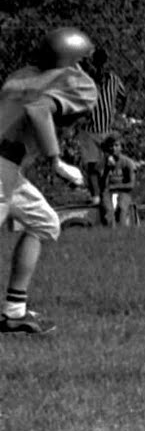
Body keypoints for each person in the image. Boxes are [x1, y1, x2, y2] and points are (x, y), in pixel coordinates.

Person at [1, 28, 96, 334]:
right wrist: (57, 162)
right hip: (2, 167)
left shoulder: (20, 76)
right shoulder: (74, 81)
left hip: (8, 169)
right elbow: (39, 110)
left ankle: (14, 312)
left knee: (44, 222)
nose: (86, 68)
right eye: (83, 61)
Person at [78, 47, 126, 226]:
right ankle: (96, 197)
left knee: (109, 165)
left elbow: (124, 96)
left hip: (106, 129)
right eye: (96, 64)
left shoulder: (113, 79)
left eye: (102, 64)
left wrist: (120, 115)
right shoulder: (87, 81)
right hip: (90, 130)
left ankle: (109, 200)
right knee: (92, 165)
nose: (99, 68)